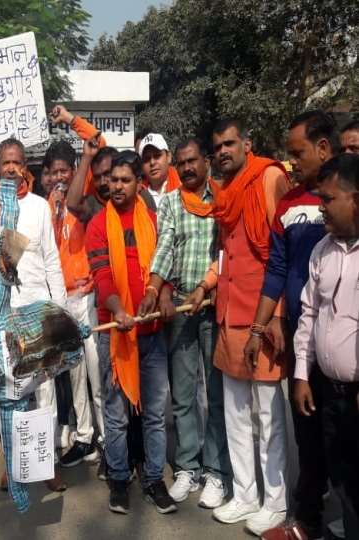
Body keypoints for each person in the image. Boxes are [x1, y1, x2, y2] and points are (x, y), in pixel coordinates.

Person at [187, 118, 291, 536]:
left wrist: (278, 315)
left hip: (263, 319)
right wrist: (204, 284)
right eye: (218, 146)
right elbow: (228, 254)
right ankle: (245, 494)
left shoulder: (268, 178)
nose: (224, 151)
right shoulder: (225, 196)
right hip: (228, 316)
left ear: (248, 143)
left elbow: (281, 255)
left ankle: (276, 502)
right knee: (233, 414)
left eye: (230, 143)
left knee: (268, 416)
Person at [244, 110, 336, 540]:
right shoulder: (288, 203)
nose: (292, 163)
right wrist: (260, 327)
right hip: (304, 343)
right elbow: (277, 269)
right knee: (309, 435)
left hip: (345, 347)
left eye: (297, 153)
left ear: (323, 148)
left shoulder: (347, 198)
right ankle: (309, 521)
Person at [0, 138, 67, 492]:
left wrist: (63, 310)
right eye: (5, 163)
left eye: (17, 162)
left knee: (45, 392)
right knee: (12, 394)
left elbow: (53, 260)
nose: (11, 168)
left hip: (38, 309)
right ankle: (15, 465)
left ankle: (48, 463)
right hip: (4, 314)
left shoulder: (40, 207)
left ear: (26, 167)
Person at [141, 137, 230, 509]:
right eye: (183, 162)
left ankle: (215, 472)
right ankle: (187, 468)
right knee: (182, 395)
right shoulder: (174, 202)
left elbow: (227, 252)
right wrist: (153, 288)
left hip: (212, 303)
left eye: (193, 160)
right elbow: (165, 246)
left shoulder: (223, 199)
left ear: (206, 161)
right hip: (178, 306)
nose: (188, 167)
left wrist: (205, 287)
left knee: (214, 394)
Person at [86, 151, 176, 516]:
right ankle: (120, 479)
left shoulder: (154, 219)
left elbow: (165, 263)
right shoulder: (97, 225)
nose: (116, 186)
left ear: (139, 183)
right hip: (116, 334)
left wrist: (166, 293)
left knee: (155, 414)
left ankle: (154, 479)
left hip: (152, 332)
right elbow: (102, 274)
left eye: (125, 180)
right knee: (117, 413)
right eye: (113, 180)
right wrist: (118, 309)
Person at [291, 154, 359, 540]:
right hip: (329, 394)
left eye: (329, 199)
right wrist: (302, 374)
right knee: (344, 483)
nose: (321, 207)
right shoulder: (322, 251)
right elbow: (309, 316)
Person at [42, 140, 104, 467]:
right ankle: (84, 437)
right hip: (61, 300)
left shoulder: (85, 203)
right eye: (52, 173)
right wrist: (52, 212)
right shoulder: (42, 209)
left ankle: (109, 441)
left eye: (64, 170)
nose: (58, 178)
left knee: (97, 372)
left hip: (87, 298)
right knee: (74, 374)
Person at [138, 133, 181, 208]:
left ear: (168, 157)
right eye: (147, 159)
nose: (152, 162)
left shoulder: (184, 187)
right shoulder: (137, 194)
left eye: (157, 156)